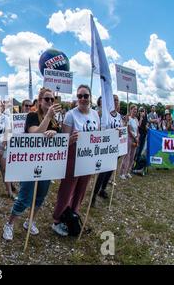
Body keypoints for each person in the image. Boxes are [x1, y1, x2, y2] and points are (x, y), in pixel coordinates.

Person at [3, 88, 61, 240]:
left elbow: (60, 139)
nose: (50, 102)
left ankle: (30, 221)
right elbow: (34, 134)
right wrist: (47, 118)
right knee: (25, 196)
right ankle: (9, 224)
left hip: (47, 163)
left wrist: (55, 132)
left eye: (52, 100)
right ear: (40, 101)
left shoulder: (55, 120)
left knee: (41, 195)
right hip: (30, 162)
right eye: (46, 99)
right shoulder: (32, 116)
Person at [51, 85, 100, 236]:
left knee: (82, 189)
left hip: (88, 156)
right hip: (73, 155)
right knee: (67, 189)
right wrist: (70, 140)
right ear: (77, 98)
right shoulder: (70, 115)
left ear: (90, 97)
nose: (83, 99)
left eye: (85, 96)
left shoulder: (95, 114)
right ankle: (57, 220)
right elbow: (64, 141)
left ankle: (73, 214)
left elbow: (97, 135)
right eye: (80, 96)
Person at [91, 95, 123, 206]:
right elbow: (103, 130)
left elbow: (121, 130)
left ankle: (102, 189)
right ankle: (93, 195)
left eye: (118, 100)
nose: (116, 102)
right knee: (103, 171)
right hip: (106, 147)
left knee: (110, 169)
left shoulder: (119, 116)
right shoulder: (106, 115)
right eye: (114, 100)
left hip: (115, 147)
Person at [119, 104, 139, 180]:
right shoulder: (128, 118)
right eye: (134, 109)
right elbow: (128, 129)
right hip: (129, 138)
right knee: (126, 156)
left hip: (135, 139)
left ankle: (128, 172)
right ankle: (122, 173)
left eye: (136, 110)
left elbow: (137, 129)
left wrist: (137, 137)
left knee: (132, 156)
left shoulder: (136, 119)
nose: (135, 111)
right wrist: (134, 137)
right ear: (130, 110)